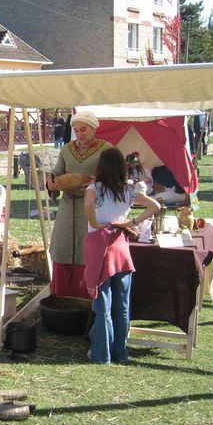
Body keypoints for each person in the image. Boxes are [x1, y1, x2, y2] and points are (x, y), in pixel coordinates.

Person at [84, 147, 159, 364]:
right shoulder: (128, 190)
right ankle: (120, 353)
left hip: (101, 249)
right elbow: (154, 205)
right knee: (122, 305)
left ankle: (102, 355)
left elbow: (88, 206)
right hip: (121, 249)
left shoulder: (94, 188)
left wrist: (96, 224)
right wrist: (131, 222)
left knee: (103, 307)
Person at [46, 110, 113, 298]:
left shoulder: (107, 150)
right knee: (63, 245)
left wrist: (97, 182)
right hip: (68, 205)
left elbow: (116, 176)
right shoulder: (67, 149)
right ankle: (63, 294)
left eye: (83, 129)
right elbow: (57, 172)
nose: (79, 134)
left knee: (89, 247)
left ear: (93, 128)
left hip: (94, 207)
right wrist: (51, 182)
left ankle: (89, 296)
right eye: (76, 130)